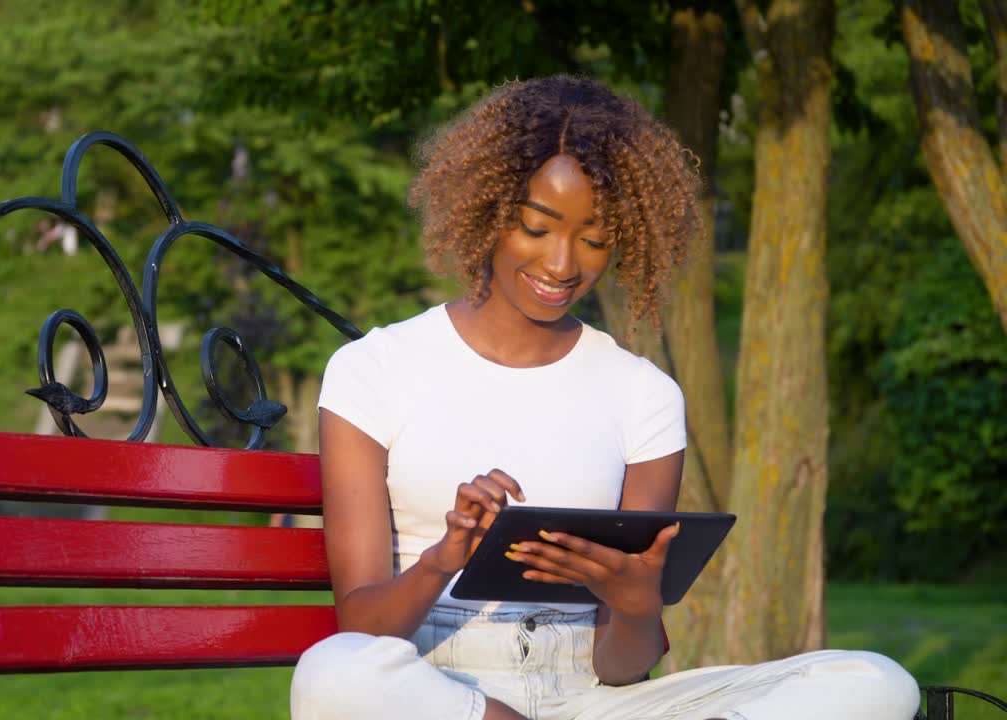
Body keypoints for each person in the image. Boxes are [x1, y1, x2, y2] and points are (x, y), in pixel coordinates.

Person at [289, 75, 919, 720]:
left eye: (594, 240)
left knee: (877, 682)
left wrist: (637, 601)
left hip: (587, 698)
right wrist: (439, 561)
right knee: (332, 675)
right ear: (488, 211)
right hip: (438, 690)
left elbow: (622, 668)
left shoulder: (642, 394)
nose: (563, 265)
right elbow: (362, 628)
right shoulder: (375, 369)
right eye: (536, 228)